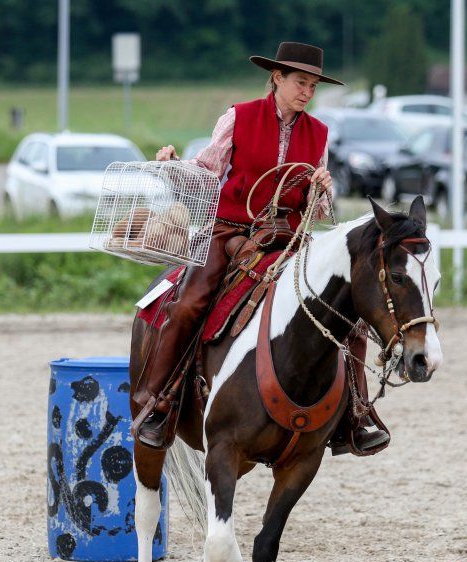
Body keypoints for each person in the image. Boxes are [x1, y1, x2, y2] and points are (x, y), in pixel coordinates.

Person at [133, 42, 389, 455]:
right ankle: (158, 402)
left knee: (348, 314)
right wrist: (171, 166)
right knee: (188, 303)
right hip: (229, 230)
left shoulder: (318, 133)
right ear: (277, 78)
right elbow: (205, 173)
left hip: (288, 239)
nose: (307, 92)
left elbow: (318, 210)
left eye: (312, 85)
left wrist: (322, 191)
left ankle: (355, 416)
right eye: (300, 83)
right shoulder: (238, 117)